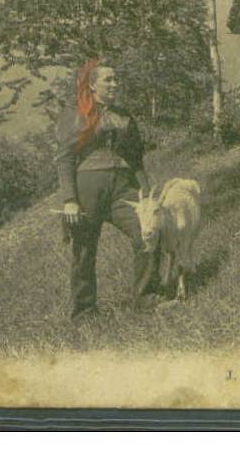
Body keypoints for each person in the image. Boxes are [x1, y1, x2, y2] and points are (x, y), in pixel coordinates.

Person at [55, 58, 160, 320]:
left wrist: (145, 193)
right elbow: (65, 159)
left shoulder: (124, 116)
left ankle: (147, 298)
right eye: (108, 80)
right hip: (87, 188)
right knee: (84, 250)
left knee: (146, 233)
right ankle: (84, 311)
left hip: (122, 189)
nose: (115, 84)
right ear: (92, 85)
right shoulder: (76, 114)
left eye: (116, 79)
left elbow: (136, 158)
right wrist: (70, 199)